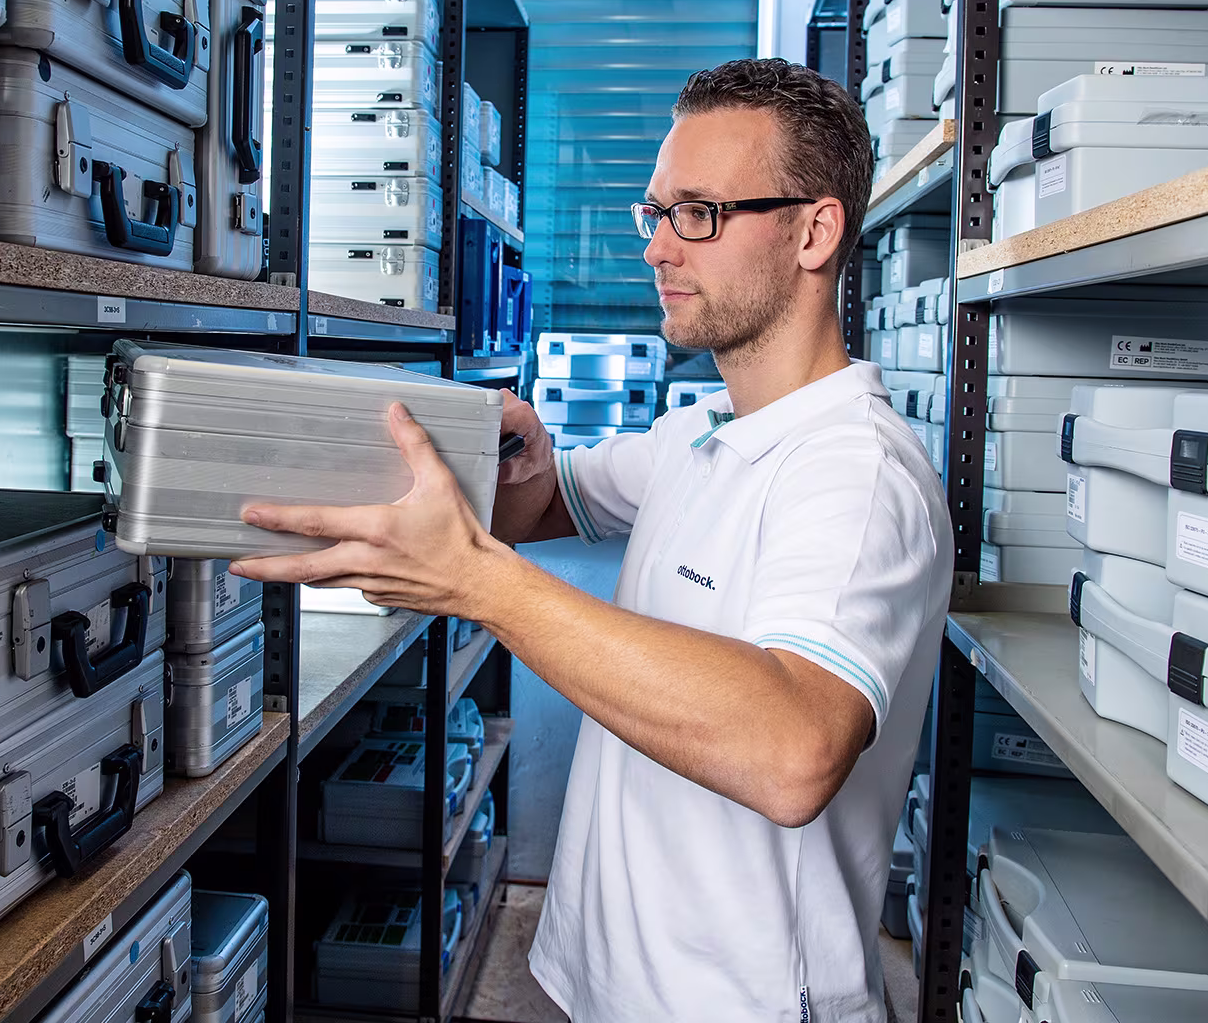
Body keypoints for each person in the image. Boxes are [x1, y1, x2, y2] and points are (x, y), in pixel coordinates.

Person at [229, 58, 954, 1022]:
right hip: (615, 985)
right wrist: (510, 458)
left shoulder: (854, 477)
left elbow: (794, 751)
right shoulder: (701, 433)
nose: (658, 250)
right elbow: (544, 501)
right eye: (654, 213)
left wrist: (479, 584)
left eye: (698, 213)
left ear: (814, 230)